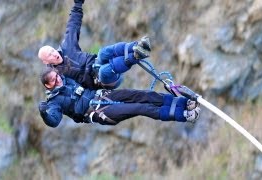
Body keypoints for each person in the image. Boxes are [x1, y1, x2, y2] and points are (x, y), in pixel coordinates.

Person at [37, 0, 151, 90]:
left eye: (53, 50)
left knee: (102, 53)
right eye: (50, 55)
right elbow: (61, 94)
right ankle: (135, 56)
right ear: (46, 62)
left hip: (97, 63)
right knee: (103, 71)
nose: (54, 54)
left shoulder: (67, 46)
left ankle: (138, 46)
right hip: (102, 82)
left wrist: (78, 4)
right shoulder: (55, 76)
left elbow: (72, 25)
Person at [38, 68, 201, 127]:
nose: (57, 79)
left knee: (143, 95)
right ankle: (184, 115)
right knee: (140, 107)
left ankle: (184, 103)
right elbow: (54, 121)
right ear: (48, 85)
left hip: (102, 95)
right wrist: (44, 114)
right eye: (53, 80)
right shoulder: (53, 103)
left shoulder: (68, 79)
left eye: (56, 76)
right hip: (98, 112)